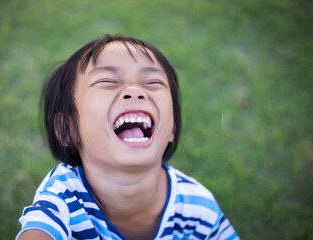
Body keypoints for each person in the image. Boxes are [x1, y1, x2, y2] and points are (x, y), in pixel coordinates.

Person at [16, 34, 239, 240]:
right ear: (68, 129)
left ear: (171, 129)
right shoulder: (62, 199)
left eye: (153, 82)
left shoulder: (199, 209)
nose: (135, 91)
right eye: (107, 81)